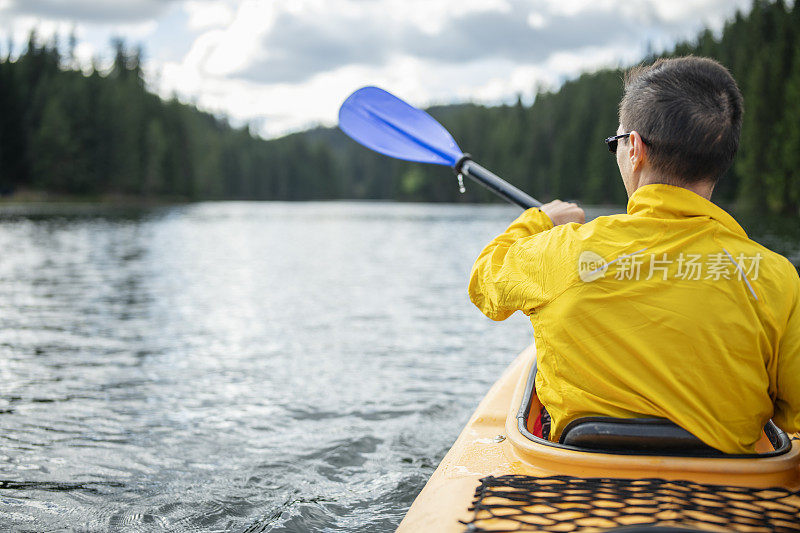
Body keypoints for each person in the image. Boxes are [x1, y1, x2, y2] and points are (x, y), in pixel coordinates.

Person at [468, 56, 800, 454]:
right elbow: (791, 412)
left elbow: (484, 280)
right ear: (721, 159)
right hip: (722, 498)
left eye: (617, 143)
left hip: (582, 491)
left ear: (636, 149)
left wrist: (539, 220)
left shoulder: (561, 252)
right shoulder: (775, 278)